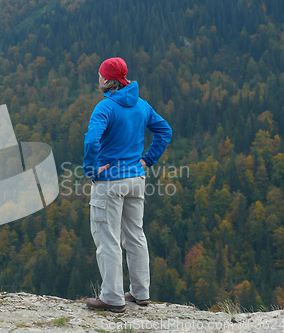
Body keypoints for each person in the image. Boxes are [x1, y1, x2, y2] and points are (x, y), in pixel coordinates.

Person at [83, 57, 172, 313]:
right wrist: (147, 160)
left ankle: (111, 298)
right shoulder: (142, 106)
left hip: (110, 181)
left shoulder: (105, 108)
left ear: (107, 80)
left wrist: (91, 170)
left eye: (100, 75)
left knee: (108, 238)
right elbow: (164, 131)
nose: (98, 79)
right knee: (135, 235)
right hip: (136, 179)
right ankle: (140, 292)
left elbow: (91, 142)